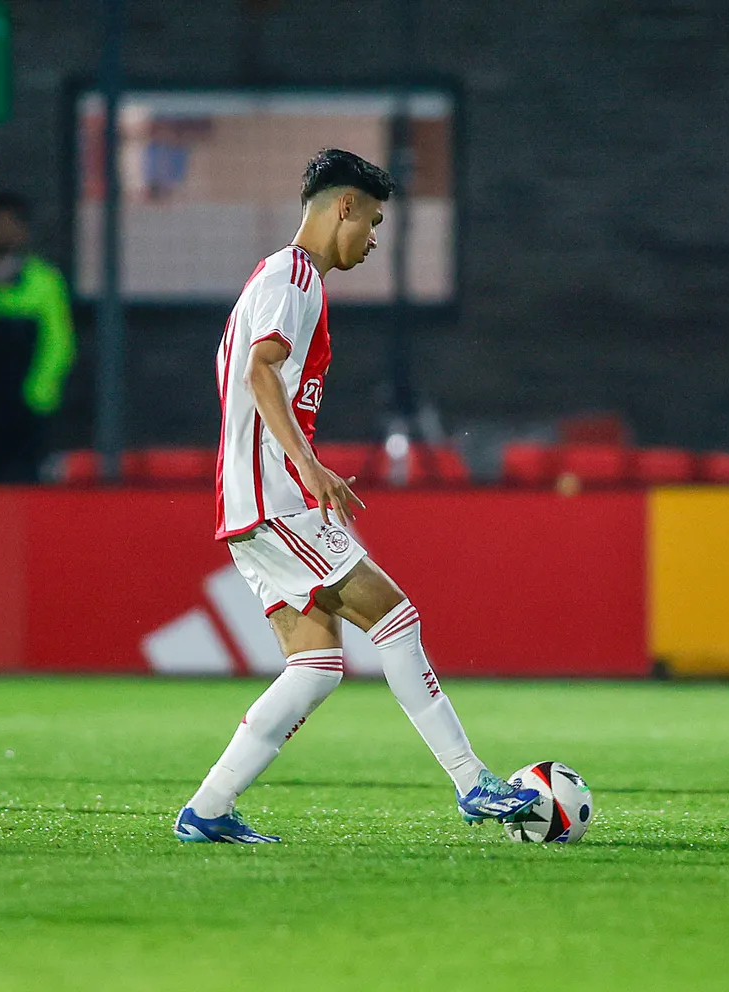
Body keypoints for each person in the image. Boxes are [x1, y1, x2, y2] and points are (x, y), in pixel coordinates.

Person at [175, 149, 538, 843]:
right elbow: (259, 371)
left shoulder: (278, 278)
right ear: (342, 206)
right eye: (371, 220)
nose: (373, 238)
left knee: (314, 668)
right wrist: (307, 467)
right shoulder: (295, 275)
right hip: (276, 498)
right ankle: (471, 784)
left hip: (255, 501)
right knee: (397, 619)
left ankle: (209, 809)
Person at [0, 192, 76, 482]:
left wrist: (38, 394)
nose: (3, 231)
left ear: (24, 232)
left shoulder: (44, 282)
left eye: (10, 224)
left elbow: (58, 343)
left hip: (23, 409)